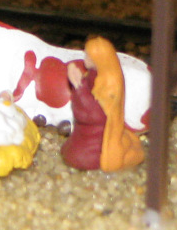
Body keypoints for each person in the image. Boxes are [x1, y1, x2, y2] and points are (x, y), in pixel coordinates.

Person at [62, 36, 144, 171]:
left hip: (98, 137)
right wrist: (81, 83)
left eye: (88, 56)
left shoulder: (110, 83)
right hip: (84, 132)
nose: (85, 59)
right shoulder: (92, 75)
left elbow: (97, 114)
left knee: (81, 158)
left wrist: (79, 87)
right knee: (70, 152)